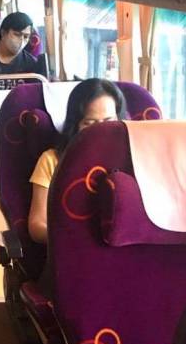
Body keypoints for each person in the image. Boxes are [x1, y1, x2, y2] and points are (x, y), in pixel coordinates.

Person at [27, 79, 127, 243]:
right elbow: (37, 225)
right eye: (90, 123)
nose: (101, 131)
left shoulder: (132, 158)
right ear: (75, 125)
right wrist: (73, 241)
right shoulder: (53, 160)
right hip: (72, 247)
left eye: (109, 121)